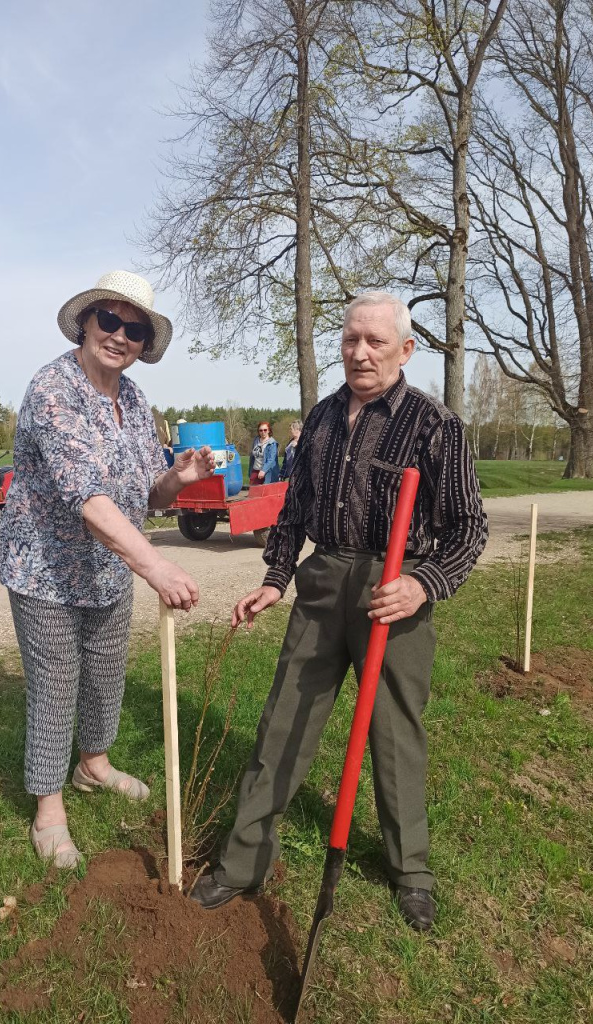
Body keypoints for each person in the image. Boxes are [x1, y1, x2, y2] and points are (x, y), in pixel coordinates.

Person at [190, 291, 488, 931]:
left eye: (375, 342)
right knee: (283, 721)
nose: (359, 353)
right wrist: (276, 579)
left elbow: (469, 528)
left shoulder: (437, 426)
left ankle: (410, 870)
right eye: (351, 340)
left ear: (405, 350)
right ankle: (241, 864)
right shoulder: (321, 420)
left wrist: (423, 583)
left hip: (394, 590)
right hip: (324, 582)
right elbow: (294, 511)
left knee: (394, 731)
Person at [0, 270, 215, 869]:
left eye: (135, 328)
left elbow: (147, 492)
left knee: (105, 675)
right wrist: (157, 567)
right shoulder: (52, 389)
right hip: (45, 568)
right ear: (88, 322)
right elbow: (88, 498)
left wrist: (179, 478)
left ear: (145, 344)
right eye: (111, 321)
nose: (120, 335)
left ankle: (93, 765)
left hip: (109, 571)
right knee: (56, 683)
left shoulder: (137, 402)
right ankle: (48, 805)